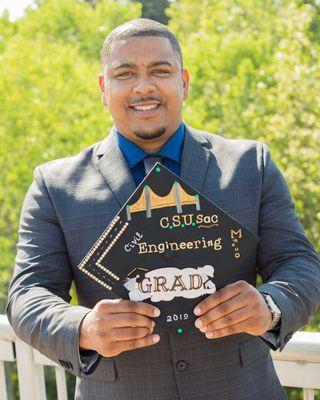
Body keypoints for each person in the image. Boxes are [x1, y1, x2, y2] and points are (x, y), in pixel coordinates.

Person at [6, 18, 320, 400]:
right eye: (125, 73)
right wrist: (85, 326)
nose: (144, 86)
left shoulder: (251, 165)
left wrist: (270, 306)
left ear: (183, 82)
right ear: (104, 88)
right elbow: (27, 295)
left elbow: (301, 265)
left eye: (160, 70)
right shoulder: (55, 186)